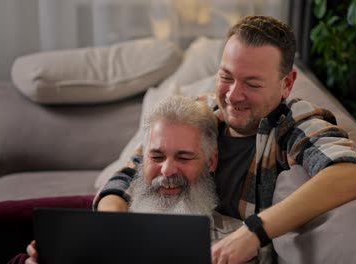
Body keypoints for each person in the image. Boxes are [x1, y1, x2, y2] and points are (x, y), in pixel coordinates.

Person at [94, 15, 356, 264]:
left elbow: (351, 174)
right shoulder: (201, 111)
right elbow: (129, 174)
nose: (232, 95)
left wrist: (255, 231)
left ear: (287, 83)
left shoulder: (293, 122)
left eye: (252, 84)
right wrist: (117, 230)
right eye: (226, 77)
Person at [24, 95, 271, 264]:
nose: (167, 171)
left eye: (183, 157)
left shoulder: (239, 245)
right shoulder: (103, 225)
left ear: (210, 162)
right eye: (157, 156)